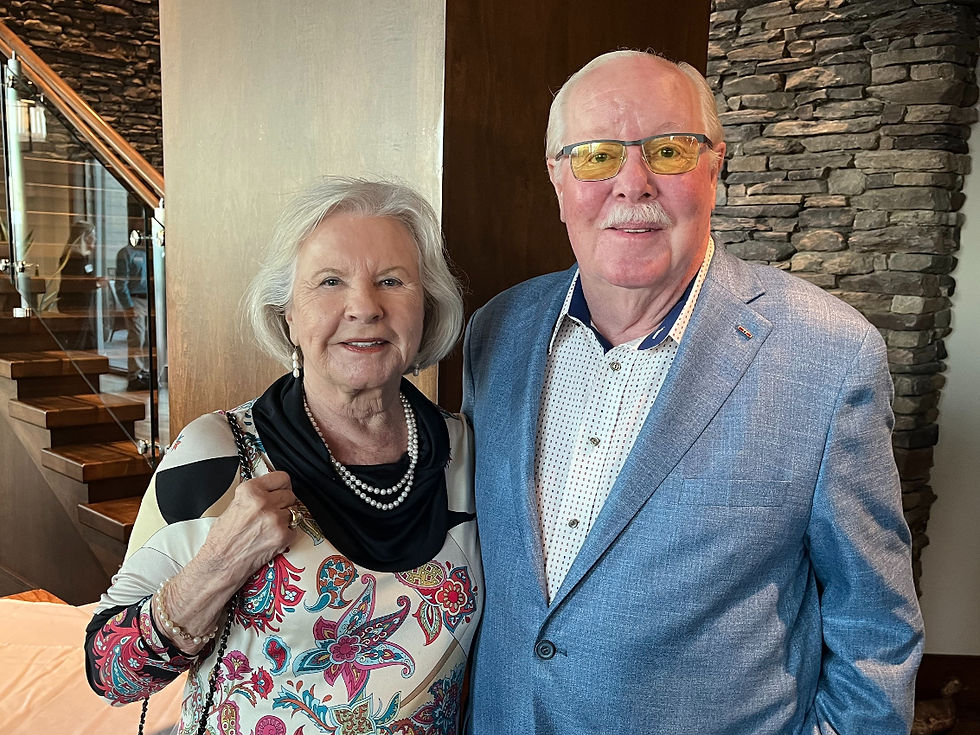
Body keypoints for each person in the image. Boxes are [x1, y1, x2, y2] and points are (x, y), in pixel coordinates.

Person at [462, 50, 923, 734]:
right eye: (594, 157)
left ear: (715, 166)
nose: (632, 183)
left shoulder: (830, 353)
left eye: (669, 150)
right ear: (557, 178)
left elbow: (876, 630)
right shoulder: (495, 332)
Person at [85, 177, 481, 735]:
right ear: (288, 314)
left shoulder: (470, 454)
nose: (365, 307)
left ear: (427, 307)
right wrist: (215, 568)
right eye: (329, 282)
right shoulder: (216, 454)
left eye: (392, 281)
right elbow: (109, 672)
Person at [55, 219, 100, 350]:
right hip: (74, 306)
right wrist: (96, 284)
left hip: (82, 307)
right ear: (84, 238)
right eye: (93, 236)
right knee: (78, 342)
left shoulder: (83, 258)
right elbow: (75, 285)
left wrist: (94, 281)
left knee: (87, 339)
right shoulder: (74, 258)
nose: (95, 239)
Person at [115, 235, 150, 390]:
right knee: (137, 337)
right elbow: (121, 283)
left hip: (153, 300)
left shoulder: (150, 251)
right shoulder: (126, 253)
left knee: (149, 339)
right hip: (136, 300)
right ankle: (134, 376)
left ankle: (146, 372)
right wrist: (128, 306)